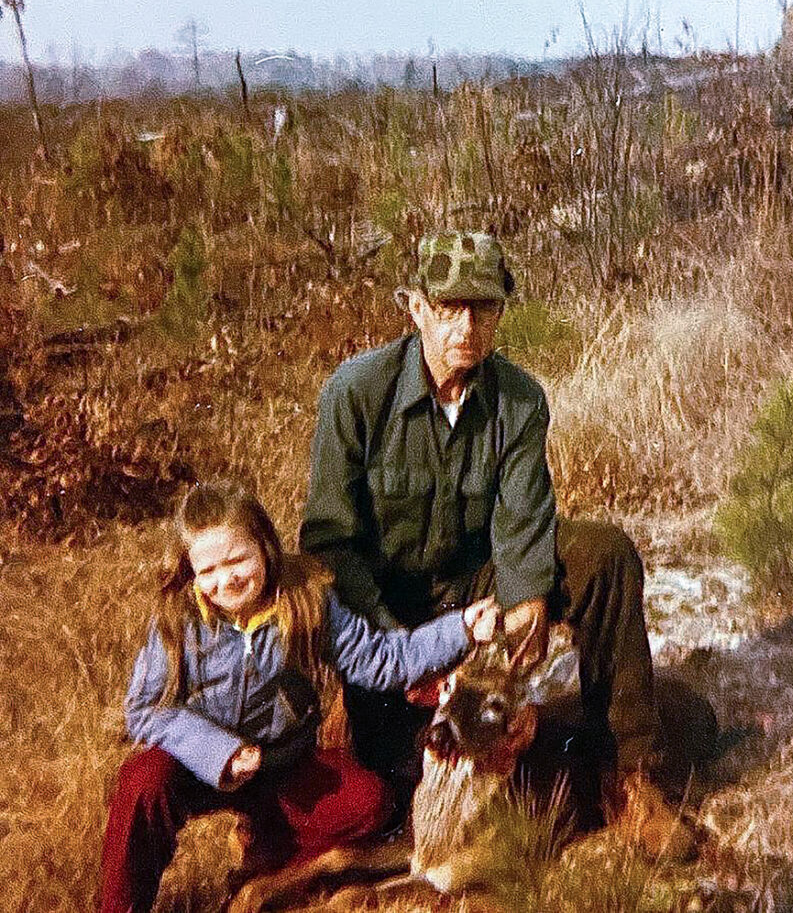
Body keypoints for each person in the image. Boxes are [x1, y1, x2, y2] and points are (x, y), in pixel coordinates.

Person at [300, 230, 694, 859]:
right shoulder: (355, 392)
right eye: (449, 308)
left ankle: (629, 781)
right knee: (404, 788)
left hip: (476, 587)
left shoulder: (518, 398)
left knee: (605, 556)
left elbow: (522, 513)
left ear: (501, 312)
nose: (466, 326)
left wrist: (529, 594)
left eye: (483, 308)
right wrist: (400, 648)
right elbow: (329, 544)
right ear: (417, 309)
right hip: (388, 615)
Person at [99, 480, 499, 913]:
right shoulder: (178, 619)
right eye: (208, 570)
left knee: (368, 803)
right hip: (198, 769)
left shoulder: (307, 601)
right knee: (143, 780)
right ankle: (120, 907)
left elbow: (382, 659)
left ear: (265, 548)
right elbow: (144, 709)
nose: (226, 580)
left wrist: (460, 629)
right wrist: (220, 754)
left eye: (238, 560)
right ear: (191, 567)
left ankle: (272, 864)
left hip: (280, 764)